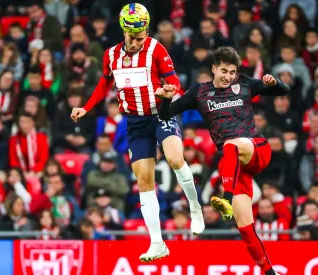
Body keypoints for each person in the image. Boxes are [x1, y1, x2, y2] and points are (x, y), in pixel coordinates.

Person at [70, 3, 204, 262]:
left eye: (141, 36)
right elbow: (104, 83)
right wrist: (86, 108)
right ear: (124, 31)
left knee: (176, 159)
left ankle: (195, 208)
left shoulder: (156, 48)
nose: (137, 42)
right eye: (133, 37)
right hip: (135, 122)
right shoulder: (110, 55)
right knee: (144, 182)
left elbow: (173, 81)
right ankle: (157, 243)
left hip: (160, 113)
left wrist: (169, 91)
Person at [158, 46, 287, 275]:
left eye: (232, 72)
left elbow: (283, 91)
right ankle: (269, 272)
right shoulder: (199, 92)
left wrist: (274, 82)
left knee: (231, 144)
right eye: (224, 71)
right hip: (236, 167)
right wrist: (167, 100)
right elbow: (166, 114)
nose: (228, 76)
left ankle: (226, 198)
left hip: (256, 149)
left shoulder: (245, 84)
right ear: (214, 68)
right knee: (245, 226)